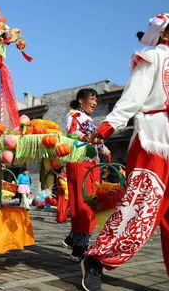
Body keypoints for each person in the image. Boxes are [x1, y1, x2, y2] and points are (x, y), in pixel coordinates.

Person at [80, 12, 169, 291]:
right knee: (140, 209)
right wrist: (107, 128)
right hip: (155, 141)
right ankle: (97, 260)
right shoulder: (153, 58)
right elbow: (133, 98)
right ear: (163, 33)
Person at [64, 89, 110, 262]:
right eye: (92, 98)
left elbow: (93, 140)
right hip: (80, 162)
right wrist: (87, 137)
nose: (95, 102)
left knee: (90, 203)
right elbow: (73, 133)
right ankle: (79, 248)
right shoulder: (74, 115)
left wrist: (102, 147)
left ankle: (73, 239)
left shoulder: (88, 119)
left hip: (91, 164)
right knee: (84, 204)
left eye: (96, 99)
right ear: (80, 100)